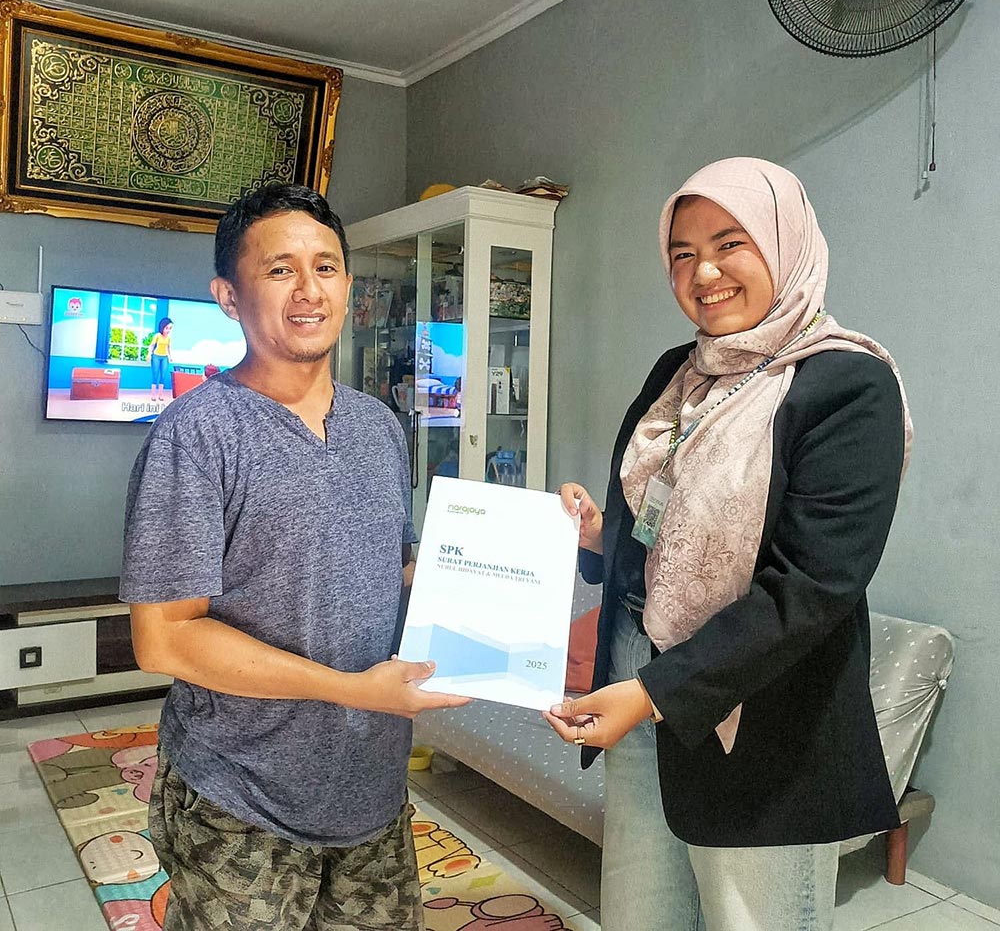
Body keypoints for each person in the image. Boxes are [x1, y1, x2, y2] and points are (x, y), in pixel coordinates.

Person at [545, 158, 912, 931]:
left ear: (784, 242)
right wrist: (600, 538)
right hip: (635, 681)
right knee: (640, 916)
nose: (703, 272)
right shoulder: (677, 373)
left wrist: (655, 692)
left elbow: (811, 589)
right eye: (682, 253)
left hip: (765, 730)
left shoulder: (846, 386)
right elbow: (663, 523)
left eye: (729, 244)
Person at [120, 183, 469, 931]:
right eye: (280, 269)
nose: (309, 290)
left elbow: (392, 568)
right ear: (229, 296)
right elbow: (164, 637)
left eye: (326, 267)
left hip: (372, 791)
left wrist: (510, 562)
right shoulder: (197, 434)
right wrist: (351, 690)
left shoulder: (379, 427)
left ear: (348, 283)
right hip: (240, 800)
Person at [148, 317, 173, 402]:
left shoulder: (168, 338)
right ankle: (153, 395)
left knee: (163, 376)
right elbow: (151, 345)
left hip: (164, 357)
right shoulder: (157, 336)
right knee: (155, 376)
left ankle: (160, 395)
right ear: (162, 327)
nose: (168, 330)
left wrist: (170, 357)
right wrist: (149, 354)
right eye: (167, 328)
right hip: (156, 356)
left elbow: (168, 348)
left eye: (170, 328)